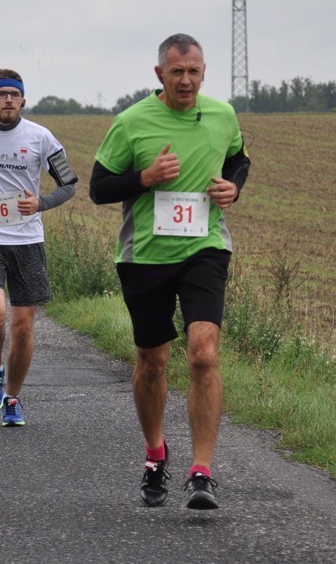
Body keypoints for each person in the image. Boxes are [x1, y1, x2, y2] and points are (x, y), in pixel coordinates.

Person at [89, 33, 250, 510]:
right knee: (152, 362)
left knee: (203, 353)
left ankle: (202, 472)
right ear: (159, 74)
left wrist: (233, 188)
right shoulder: (131, 122)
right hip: (144, 256)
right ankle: (156, 454)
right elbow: (99, 188)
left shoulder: (222, 115)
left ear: (204, 72)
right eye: (176, 72)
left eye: (193, 71)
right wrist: (144, 178)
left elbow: (239, 159)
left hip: (205, 248)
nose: (185, 80)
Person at [0, 69, 77, 426]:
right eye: (1, 94)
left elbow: (68, 184)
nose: (8, 99)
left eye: (14, 94)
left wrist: (41, 203)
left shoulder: (41, 137)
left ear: (23, 100)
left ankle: (13, 398)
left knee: (22, 327)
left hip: (27, 240)